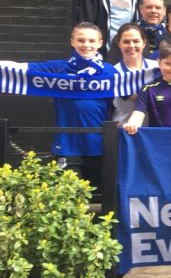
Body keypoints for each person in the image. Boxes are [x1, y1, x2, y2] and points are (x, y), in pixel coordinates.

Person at [27, 23, 119, 191]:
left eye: (91, 40)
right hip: (68, 146)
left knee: (105, 200)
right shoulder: (58, 68)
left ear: (100, 42)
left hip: (100, 145)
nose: (86, 45)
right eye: (81, 40)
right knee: (70, 199)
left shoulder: (110, 71)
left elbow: (132, 94)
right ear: (72, 42)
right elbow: (21, 70)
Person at [124, 43, 171, 133]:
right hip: (158, 141)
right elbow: (138, 113)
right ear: (159, 63)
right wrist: (132, 123)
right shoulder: (149, 89)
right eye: (168, 63)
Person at [111, 23, 159, 126]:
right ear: (119, 44)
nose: (131, 46)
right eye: (126, 42)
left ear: (144, 43)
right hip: (123, 132)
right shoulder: (112, 73)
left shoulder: (158, 68)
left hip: (154, 133)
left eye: (136, 41)